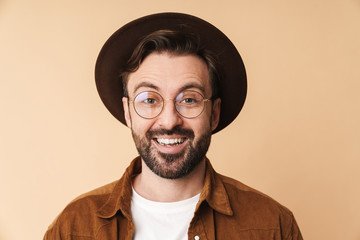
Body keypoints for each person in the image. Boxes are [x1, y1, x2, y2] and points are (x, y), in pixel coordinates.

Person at [44, 12, 303, 240]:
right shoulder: (73, 228)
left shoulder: (272, 226)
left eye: (189, 99)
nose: (169, 120)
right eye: (149, 99)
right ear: (128, 112)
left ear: (214, 113)